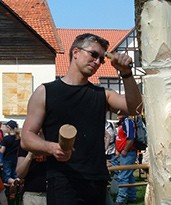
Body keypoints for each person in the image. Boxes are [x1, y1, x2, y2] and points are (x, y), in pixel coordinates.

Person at [21, 33, 142, 205]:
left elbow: (136, 108)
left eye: (101, 59)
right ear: (75, 52)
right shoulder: (45, 92)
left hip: (97, 182)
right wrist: (52, 147)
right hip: (63, 182)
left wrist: (127, 74)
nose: (98, 61)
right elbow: (26, 138)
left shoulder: (102, 94)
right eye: (93, 54)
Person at [16, 130, 47, 205]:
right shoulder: (25, 145)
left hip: (52, 193)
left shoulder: (54, 144)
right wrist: (29, 156)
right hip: (31, 194)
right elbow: (19, 174)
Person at [114, 114, 137, 205]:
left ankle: (120, 200)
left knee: (123, 176)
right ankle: (132, 197)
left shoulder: (128, 121)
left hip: (128, 153)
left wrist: (125, 150)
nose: (117, 114)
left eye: (119, 112)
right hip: (124, 153)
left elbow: (131, 138)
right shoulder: (122, 122)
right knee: (129, 176)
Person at [0, 120, 20, 185]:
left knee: (6, 176)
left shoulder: (6, 138)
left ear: (8, 128)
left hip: (7, 159)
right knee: (14, 174)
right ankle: (17, 181)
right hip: (16, 159)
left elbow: (2, 150)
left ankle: (12, 182)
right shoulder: (18, 138)